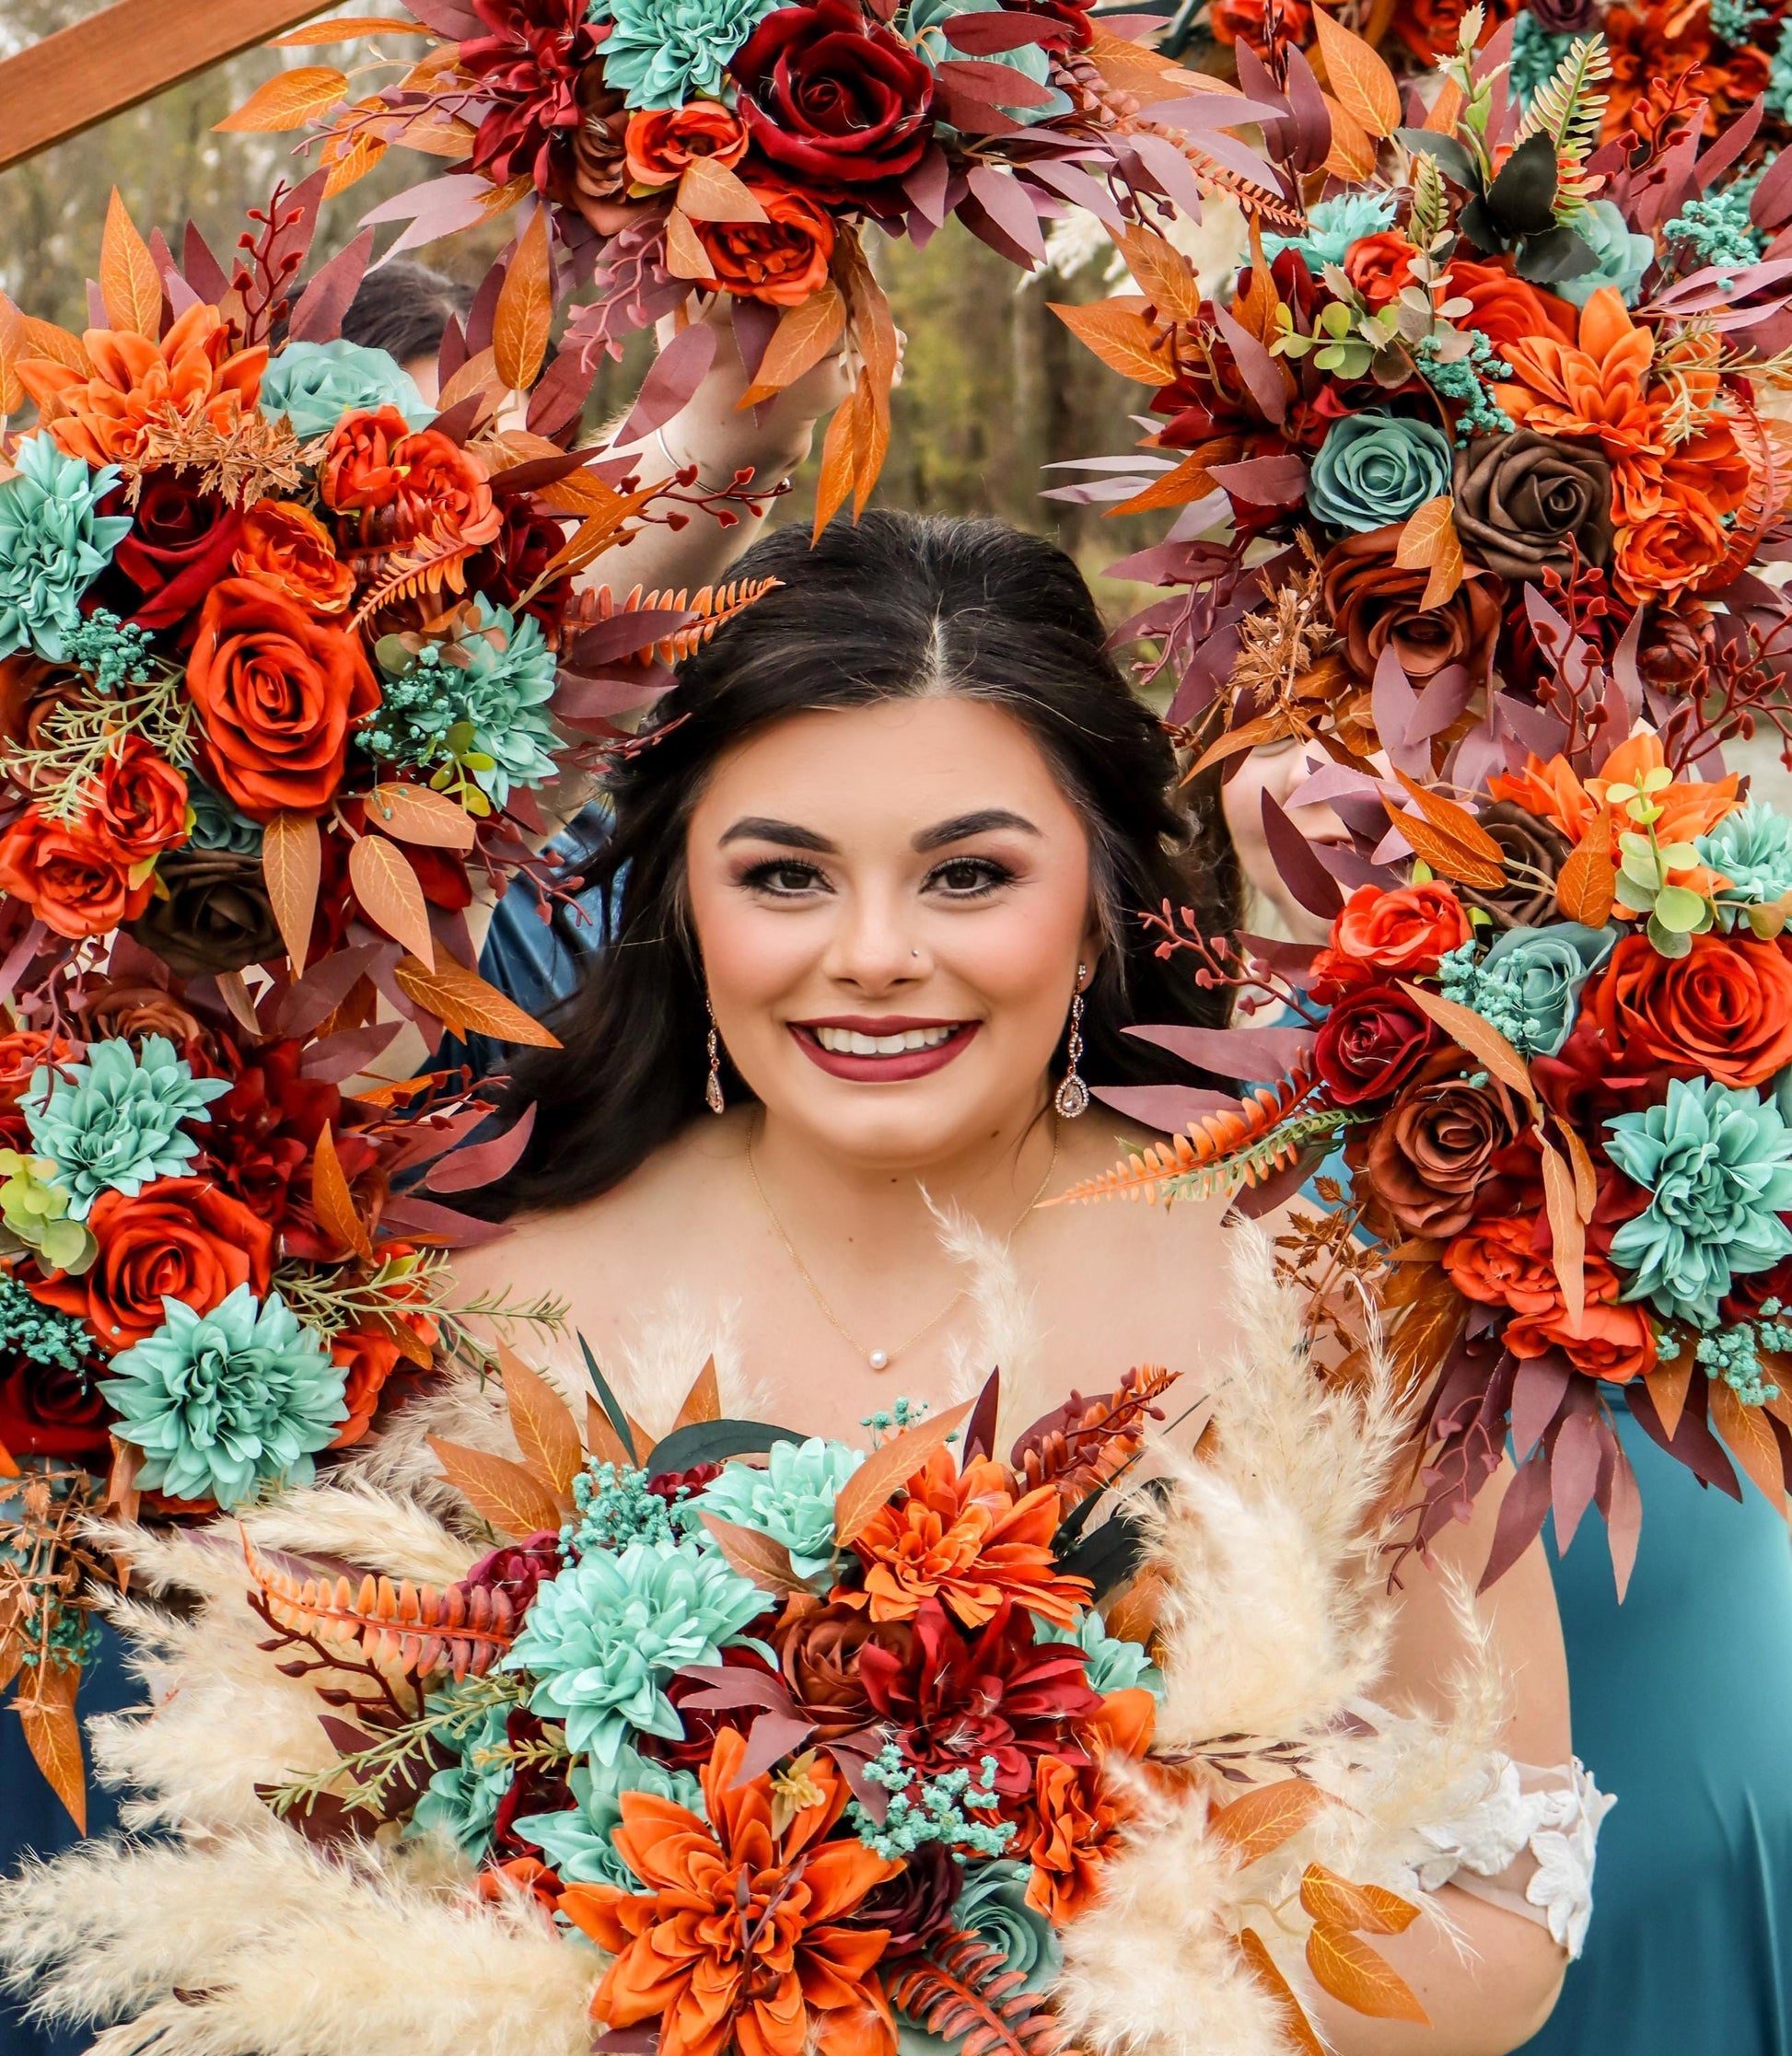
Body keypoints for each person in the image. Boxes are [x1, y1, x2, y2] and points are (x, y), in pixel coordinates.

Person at [448, 505, 1586, 2056]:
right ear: (679, 902)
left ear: (1100, 893)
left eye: (966, 876)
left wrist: (1018, 1991)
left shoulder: (1327, 1291)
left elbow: (1510, 1913)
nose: (870, 954)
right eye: (784, 876)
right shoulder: (485, 1291)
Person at [1222, 729, 1792, 2056]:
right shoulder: (1174, 1103)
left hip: (1695, 1686)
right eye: (1277, 724)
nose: (1344, 755)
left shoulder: (1688, 961)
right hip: (1383, 1812)